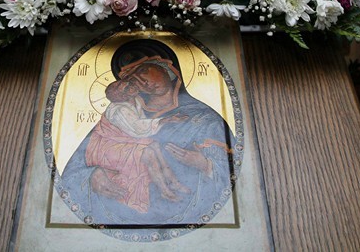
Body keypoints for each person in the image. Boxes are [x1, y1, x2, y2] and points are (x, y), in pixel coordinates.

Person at [59, 39, 236, 228]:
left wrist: (205, 165)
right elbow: (73, 172)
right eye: (133, 80)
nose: (142, 82)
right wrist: (92, 177)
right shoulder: (121, 117)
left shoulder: (205, 118)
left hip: (194, 219)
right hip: (120, 215)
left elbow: (236, 176)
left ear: (167, 67)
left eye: (144, 71)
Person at [84, 78, 190, 212]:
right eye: (127, 88)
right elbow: (137, 128)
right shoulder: (120, 110)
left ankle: (173, 181)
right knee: (148, 153)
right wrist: (166, 120)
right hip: (107, 148)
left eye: (129, 84)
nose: (132, 86)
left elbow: (140, 126)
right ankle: (164, 190)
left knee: (155, 146)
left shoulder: (136, 101)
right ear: (122, 96)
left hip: (125, 141)